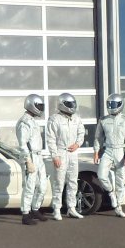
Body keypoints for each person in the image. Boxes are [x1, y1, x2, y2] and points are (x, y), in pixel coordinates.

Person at [93, 93, 125, 218]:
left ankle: (118, 207)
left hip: (120, 151)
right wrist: (96, 152)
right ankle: (111, 193)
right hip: (108, 150)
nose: (111, 106)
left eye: (113, 104)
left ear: (120, 104)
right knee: (101, 175)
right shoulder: (103, 120)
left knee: (120, 180)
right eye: (109, 104)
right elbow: (98, 137)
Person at [46, 93, 86, 221]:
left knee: (73, 182)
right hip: (60, 153)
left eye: (73, 104)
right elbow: (50, 139)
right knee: (59, 182)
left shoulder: (77, 118)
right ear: (62, 104)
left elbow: (81, 132)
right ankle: (56, 209)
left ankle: (71, 208)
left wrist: (77, 144)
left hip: (73, 153)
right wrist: (55, 156)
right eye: (69, 104)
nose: (72, 107)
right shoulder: (54, 119)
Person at [16, 94, 49, 225]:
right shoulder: (24, 122)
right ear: (32, 105)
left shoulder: (32, 120)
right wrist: (28, 161)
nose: (40, 109)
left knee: (42, 185)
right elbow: (22, 144)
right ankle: (25, 214)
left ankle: (35, 209)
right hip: (30, 156)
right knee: (30, 187)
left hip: (38, 156)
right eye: (39, 106)